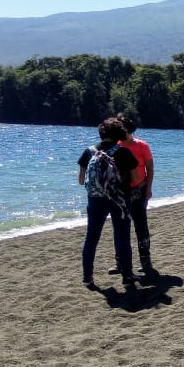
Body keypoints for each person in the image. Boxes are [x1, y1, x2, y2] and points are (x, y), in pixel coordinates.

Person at [77, 117, 139, 289]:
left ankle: (87, 278)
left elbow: (82, 181)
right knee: (122, 237)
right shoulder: (124, 152)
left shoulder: (89, 151)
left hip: (95, 200)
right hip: (119, 200)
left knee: (91, 238)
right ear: (119, 133)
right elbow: (136, 179)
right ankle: (127, 276)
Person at [112, 112, 158, 278]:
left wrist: (148, 188)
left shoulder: (142, 146)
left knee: (140, 226)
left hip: (139, 189)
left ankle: (145, 261)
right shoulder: (115, 146)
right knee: (119, 228)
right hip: (121, 191)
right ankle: (120, 262)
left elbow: (150, 168)